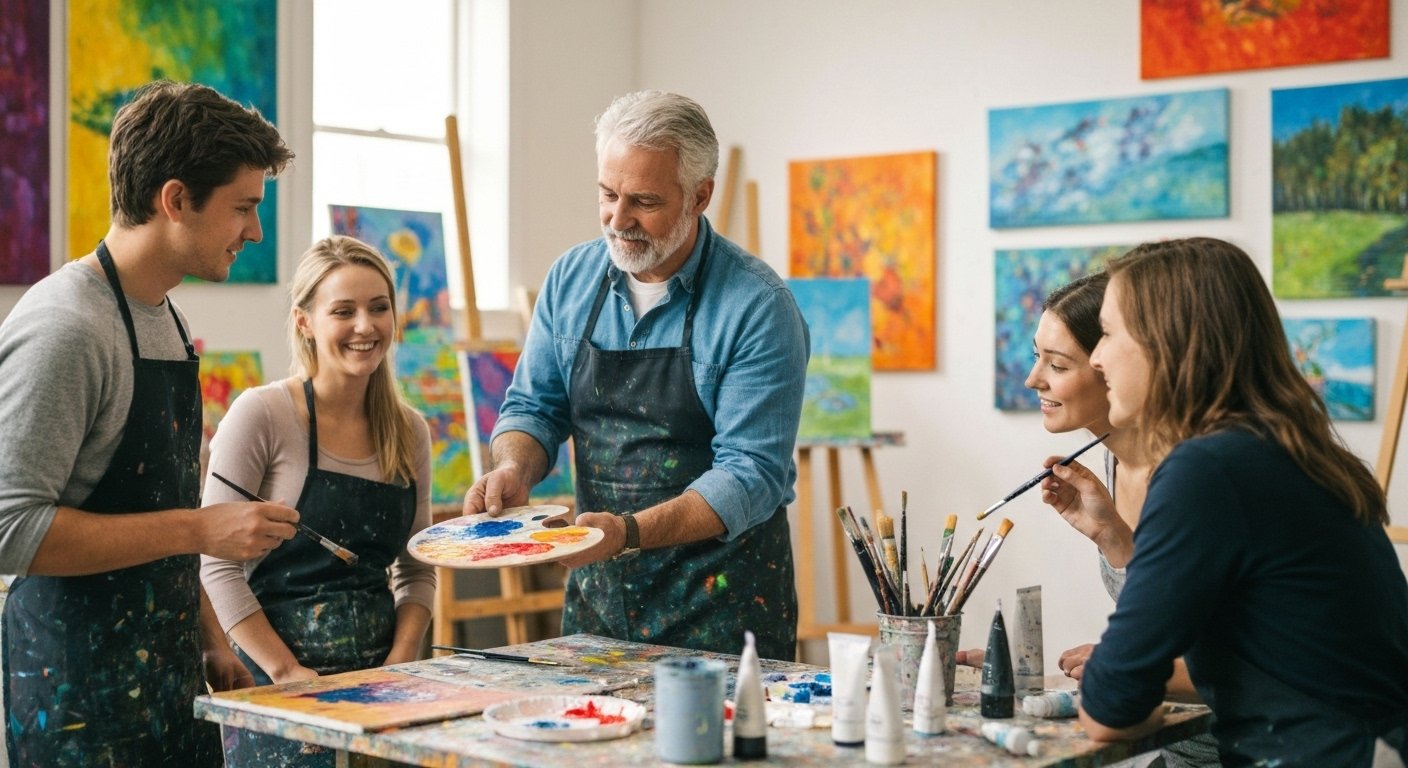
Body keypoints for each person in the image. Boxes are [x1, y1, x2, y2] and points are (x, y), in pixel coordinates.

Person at [0, 81, 298, 766]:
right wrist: (202, 530)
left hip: (168, 685)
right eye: (243, 208)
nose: (254, 231)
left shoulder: (167, 318)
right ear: (174, 201)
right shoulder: (64, 328)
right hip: (76, 702)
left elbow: (154, 507)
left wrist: (209, 638)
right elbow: (10, 529)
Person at [462, 90, 810, 661]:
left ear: (700, 195)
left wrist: (627, 532)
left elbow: (751, 474)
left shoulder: (757, 306)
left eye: (644, 201)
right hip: (601, 602)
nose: (618, 220)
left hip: (724, 606)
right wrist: (513, 466)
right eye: (607, 194)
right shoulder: (570, 279)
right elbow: (534, 408)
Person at [1076, 238, 1408, 766]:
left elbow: (1109, 707)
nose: (1096, 358)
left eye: (1109, 334)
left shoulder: (1208, 470)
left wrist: (1122, 694)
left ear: (1167, 341)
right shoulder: (1286, 450)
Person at [201, 236, 436, 767]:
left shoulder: (411, 432)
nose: (365, 326)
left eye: (379, 308)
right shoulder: (260, 415)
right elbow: (215, 564)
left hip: (382, 692)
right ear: (305, 321)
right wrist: (288, 675)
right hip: (277, 687)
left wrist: (400, 666)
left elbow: (416, 567)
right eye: (343, 311)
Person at [1018, 271, 1220, 768]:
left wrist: (1116, 668)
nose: (1033, 379)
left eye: (1057, 363)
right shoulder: (1113, 462)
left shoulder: (1195, 474)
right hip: (1174, 748)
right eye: (1035, 357)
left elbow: (1241, 659)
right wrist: (1113, 538)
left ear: (1114, 363)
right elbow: (1168, 621)